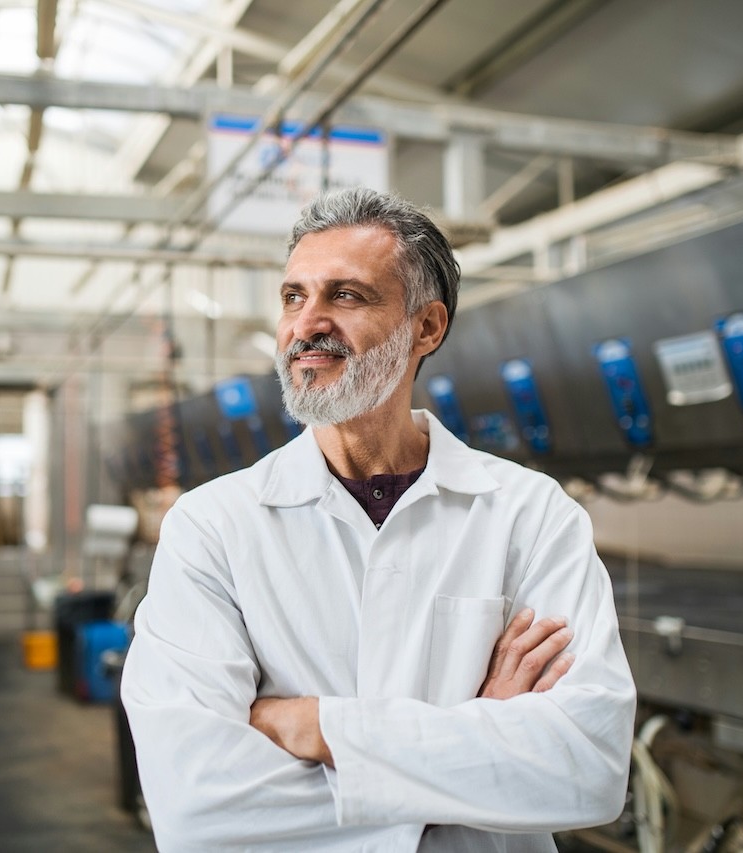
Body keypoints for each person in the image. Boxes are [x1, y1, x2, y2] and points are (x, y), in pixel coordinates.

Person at [121, 187, 635, 852]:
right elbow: (195, 805)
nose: (307, 324)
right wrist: (475, 744)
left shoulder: (532, 516)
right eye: (292, 296)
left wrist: (317, 727)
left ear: (426, 327)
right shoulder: (212, 527)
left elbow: (586, 765)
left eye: (347, 295)